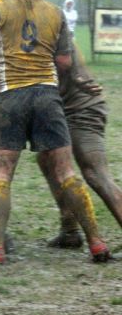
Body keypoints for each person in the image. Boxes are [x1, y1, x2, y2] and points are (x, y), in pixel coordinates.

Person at [0, 0, 110, 263]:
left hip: (10, 94)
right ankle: (97, 241)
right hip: (48, 96)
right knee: (66, 171)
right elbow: (64, 61)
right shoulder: (54, 12)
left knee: (1, 173)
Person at [41, 47, 122, 247]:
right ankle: (69, 231)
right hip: (61, 108)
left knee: (95, 173)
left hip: (81, 108)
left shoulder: (48, 23)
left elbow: (62, 64)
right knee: (47, 160)